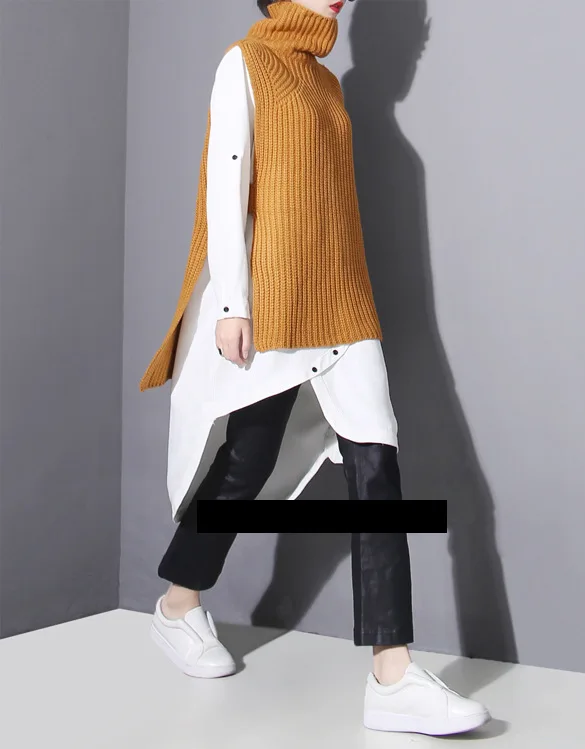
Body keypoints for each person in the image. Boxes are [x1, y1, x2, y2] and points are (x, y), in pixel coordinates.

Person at [139, 0, 491, 736]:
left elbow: (336, 212)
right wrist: (232, 304)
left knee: (377, 468)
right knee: (247, 458)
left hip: (342, 303)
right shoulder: (246, 63)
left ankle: (392, 674)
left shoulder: (328, 87)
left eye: (418, 47)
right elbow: (226, 185)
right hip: (275, 304)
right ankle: (178, 603)